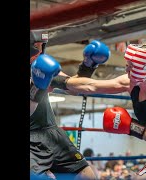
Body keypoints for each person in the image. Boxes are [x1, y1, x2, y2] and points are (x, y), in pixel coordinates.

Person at [63, 42, 146, 179]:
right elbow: (91, 86)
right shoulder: (131, 82)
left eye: (131, 66)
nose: (126, 69)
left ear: (145, 68)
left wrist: (130, 126)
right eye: (127, 65)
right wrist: (58, 80)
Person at [30, 29, 110, 179]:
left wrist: (88, 65)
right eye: (37, 46)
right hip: (31, 139)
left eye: (43, 45)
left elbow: (73, 87)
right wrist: (37, 86)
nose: (41, 50)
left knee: (87, 175)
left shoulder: (42, 66)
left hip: (51, 132)